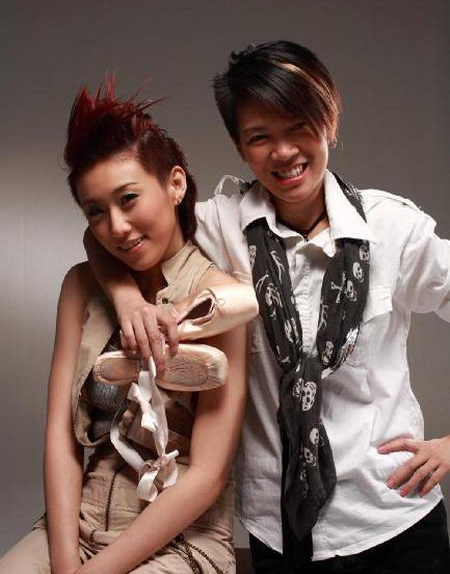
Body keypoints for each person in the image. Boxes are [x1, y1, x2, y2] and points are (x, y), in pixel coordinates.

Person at [83, 42, 450, 573]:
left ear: (329, 121)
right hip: (278, 531)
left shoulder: (393, 229)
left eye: (299, 126)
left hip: (393, 517)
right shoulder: (220, 224)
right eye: (260, 137)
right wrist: (126, 300)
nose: (283, 152)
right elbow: (109, 233)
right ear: (240, 146)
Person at [0, 77, 259, 574]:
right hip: (77, 525)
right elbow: (60, 437)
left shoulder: (219, 300)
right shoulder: (81, 286)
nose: (116, 227)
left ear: (175, 185)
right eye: (96, 211)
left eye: (129, 199)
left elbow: (207, 475)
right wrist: (65, 562)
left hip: (182, 539)